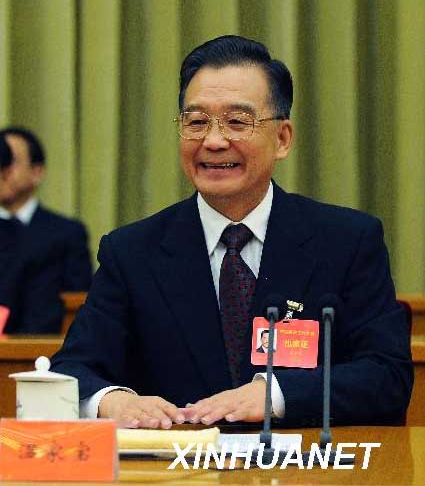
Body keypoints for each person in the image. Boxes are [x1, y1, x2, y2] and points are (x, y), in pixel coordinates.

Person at [51, 35, 413, 429]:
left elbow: (386, 376)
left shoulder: (346, 241)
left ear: (282, 139)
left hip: (301, 461)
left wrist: (275, 395)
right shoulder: (132, 251)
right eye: (196, 122)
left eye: (237, 122)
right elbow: (72, 370)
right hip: (179, 460)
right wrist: (111, 401)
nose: (213, 141)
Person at [0, 127, 92, 333]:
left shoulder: (67, 233)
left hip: (47, 346)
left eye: (10, 161)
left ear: (37, 172)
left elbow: (80, 303)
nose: (3, 170)